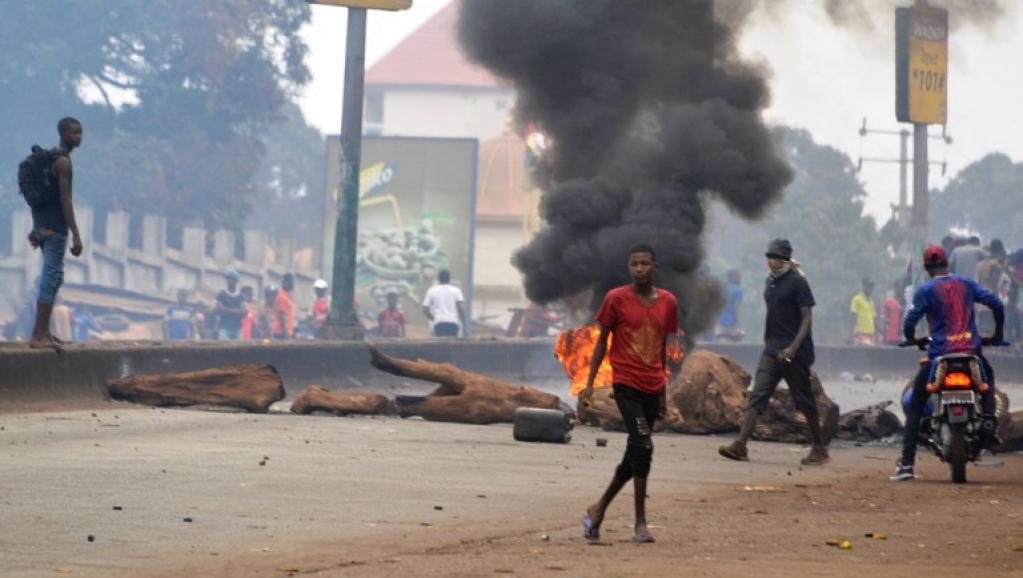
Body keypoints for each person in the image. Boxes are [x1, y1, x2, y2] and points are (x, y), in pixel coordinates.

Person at [580, 244, 680, 544]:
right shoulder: (616, 298)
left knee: (634, 453)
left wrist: (662, 392)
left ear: (654, 266)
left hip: (652, 385)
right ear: (629, 267)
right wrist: (590, 381)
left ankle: (598, 509)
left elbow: (662, 346)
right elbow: (601, 343)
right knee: (644, 445)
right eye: (634, 264)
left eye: (645, 263)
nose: (639, 269)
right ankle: (640, 522)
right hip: (625, 384)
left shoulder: (668, 302)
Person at [892, 245, 1005, 481]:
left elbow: (910, 320)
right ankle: (988, 421)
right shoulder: (966, 283)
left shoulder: (926, 290)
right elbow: (997, 304)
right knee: (989, 377)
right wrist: (997, 334)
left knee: (915, 405)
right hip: (970, 352)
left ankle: (906, 465)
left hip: (939, 355)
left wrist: (912, 339)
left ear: (926, 268)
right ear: (947, 264)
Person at [719, 239, 831, 465]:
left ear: (786, 259)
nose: (771, 262)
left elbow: (807, 319)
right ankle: (740, 445)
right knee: (758, 395)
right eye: (769, 257)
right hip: (772, 350)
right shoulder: (770, 282)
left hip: (795, 353)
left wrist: (793, 348)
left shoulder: (798, 282)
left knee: (804, 401)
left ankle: (819, 449)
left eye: (776, 257)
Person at [27, 117, 84, 352]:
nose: (78, 137)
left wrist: (36, 228)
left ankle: (45, 332)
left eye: (80, 133)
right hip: (55, 230)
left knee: (54, 277)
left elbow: (40, 199)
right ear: (61, 133)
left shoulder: (47, 160)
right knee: (51, 276)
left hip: (43, 227)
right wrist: (77, 235)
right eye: (73, 133)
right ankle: (39, 335)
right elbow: (65, 200)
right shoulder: (63, 163)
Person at [422, 270, 466, 337]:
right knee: (452, 346)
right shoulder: (456, 291)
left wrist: (434, 319)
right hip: (453, 323)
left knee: (440, 346)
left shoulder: (431, 291)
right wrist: (464, 324)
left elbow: (425, 310)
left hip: (439, 323)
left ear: (438, 279)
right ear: (449, 279)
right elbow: (460, 308)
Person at [214, 270, 246, 340]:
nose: (229, 281)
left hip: (237, 329)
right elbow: (218, 309)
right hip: (224, 328)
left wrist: (226, 309)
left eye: (231, 279)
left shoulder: (241, 296)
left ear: (236, 281)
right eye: (228, 279)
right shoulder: (221, 294)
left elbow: (244, 312)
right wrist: (237, 311)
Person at [715, 269, 745, 342]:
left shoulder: (722, 289)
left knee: (722, 347)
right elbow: (736, 308)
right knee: (736, 347)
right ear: (733, 277)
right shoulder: (738, 290)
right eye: (738, 276)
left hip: (719, 322)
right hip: (732, 324)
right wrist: (740, 324)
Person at [850, 278, 877, 345]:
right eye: (869, 286)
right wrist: (850, 333)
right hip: (860, 333)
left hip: (870, 333)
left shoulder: (871, 302)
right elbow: (854, 316)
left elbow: (874, 319)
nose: (871, 289)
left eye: (872, 287)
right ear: (864, 286)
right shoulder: (857, 299)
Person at [273, 273, 296, 339]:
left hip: (285, 332)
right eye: (290, 281)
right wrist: (286, 334)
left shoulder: (288, 296)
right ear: (284, 283)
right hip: (281, 333)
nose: (292, 284)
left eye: (292, 281)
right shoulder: (282, 297)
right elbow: (281, 317)